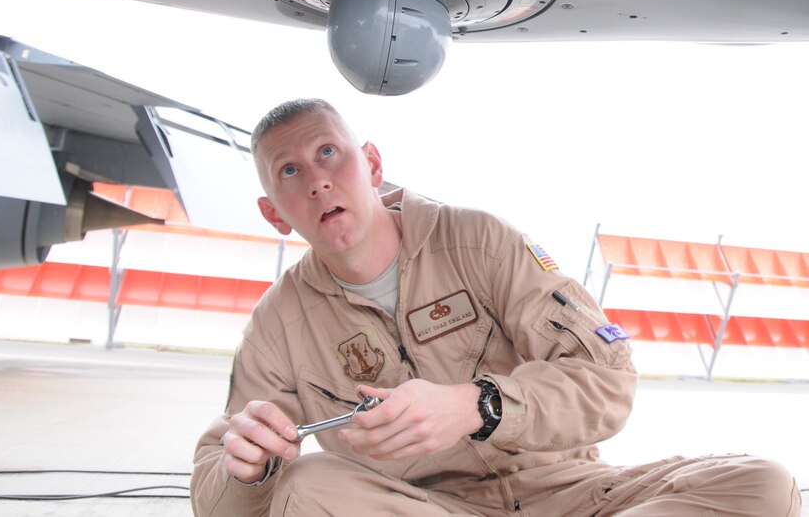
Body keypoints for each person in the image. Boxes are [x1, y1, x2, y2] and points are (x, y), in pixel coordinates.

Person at [191, 98, 801, 517]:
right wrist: (248, 470)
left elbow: (608, 381)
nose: (318, 182)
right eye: (290, 171)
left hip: (570, 492)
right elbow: (217, 495)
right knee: (310, 485)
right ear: (274, 213)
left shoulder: (480, 241)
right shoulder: (278, 325)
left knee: (763, 485)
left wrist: (477, 406)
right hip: (429, 509)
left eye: (330, 154)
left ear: (372, 164)